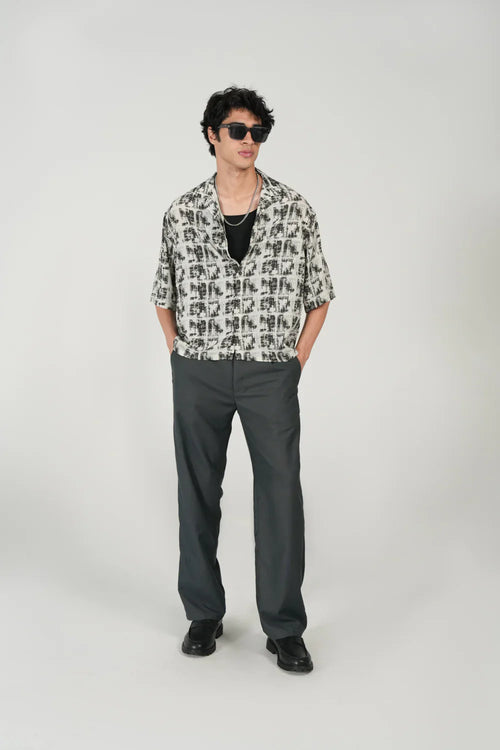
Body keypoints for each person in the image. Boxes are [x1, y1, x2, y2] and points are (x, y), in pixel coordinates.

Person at [150, 85, 335, 673]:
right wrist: (180, 353)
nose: (249, 140)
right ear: (213, 135)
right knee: (197, 491)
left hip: (269, 371)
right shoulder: (182, 213)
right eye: (238, 130)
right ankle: (203, 614)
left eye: (258, 132)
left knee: (280, 493)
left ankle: (284, 627)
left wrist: (294, 362)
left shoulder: (293, 209)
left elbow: (319, 295)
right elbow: (163, 293)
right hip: (198, 370)